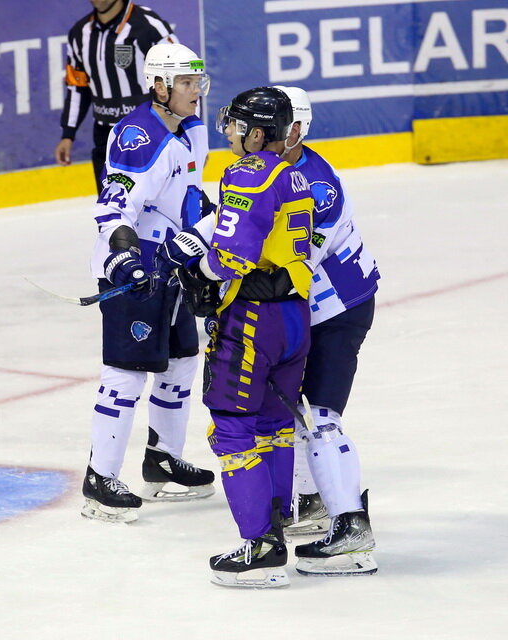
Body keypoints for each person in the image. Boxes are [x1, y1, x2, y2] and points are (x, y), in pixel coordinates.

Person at [158, 87, 314, 587]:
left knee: (231, 428)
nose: (227, 131)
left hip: (253, 321)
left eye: (237, 125)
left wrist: (196, 270)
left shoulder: (247, 172)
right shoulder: (294, 172)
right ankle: (277, 524)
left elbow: (232, 255)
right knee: (275, 425)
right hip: (295, 316)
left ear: (258, 134)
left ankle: (261, 547)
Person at [81, 42, 215, 524]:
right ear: (158, 86)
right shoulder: (138, 135)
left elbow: (191, 195)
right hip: (136, 269)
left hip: (173, 263)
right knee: (126, 373)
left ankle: (162, 460)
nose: (195, 91)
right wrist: (125, 256)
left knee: (181, 361)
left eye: (197, 82)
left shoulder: (190, 129)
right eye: (185, 83)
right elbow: (114, 205)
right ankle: (100, 479)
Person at [272, 85, 380, 576]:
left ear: (294, 129)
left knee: (321, 418)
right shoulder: (273, 168)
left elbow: (293, 262)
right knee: (293, 409)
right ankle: (315, 501)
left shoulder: (318, 184)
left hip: (338, 311)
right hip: (311, 311)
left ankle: (351, 529)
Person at [55, 0, 178, 192]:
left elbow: (180, 79)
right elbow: (77, 87)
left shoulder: (148, 25)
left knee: (156, 203)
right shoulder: (79, 33)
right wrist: (68, 134)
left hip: (150, 131)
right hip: (105, 136)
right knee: (111, 205)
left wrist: (188, 133)